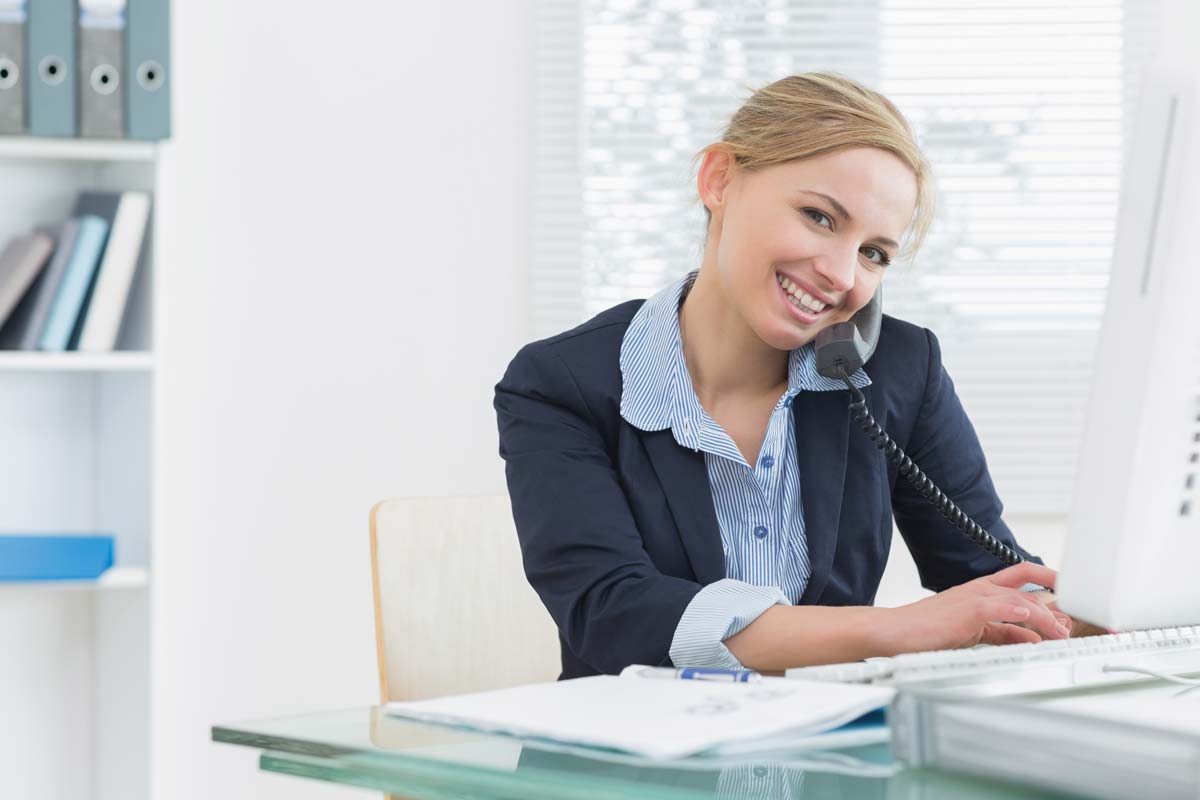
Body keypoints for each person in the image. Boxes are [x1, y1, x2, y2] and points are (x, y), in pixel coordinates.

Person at [494, 72, 1077, 680]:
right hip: (636, 762)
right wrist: (898, 629)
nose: (840, 274)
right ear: (719, 180)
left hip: (827, 759)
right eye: (820, 218)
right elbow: (613, 614)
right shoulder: (561, 383)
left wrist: (1093, 613)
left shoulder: (898, 370)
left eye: (874, 253)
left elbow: (991, 580)